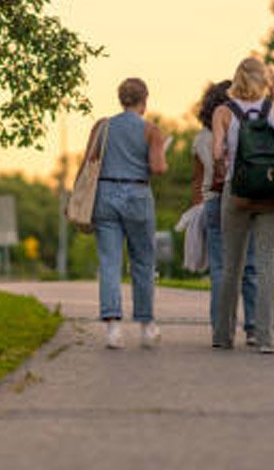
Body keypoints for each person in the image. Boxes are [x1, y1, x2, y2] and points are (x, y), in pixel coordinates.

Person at [211, 58, 274, 352]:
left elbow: (217, 153)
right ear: (265, 79)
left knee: (231, 266)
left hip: (238, 192)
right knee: (266, 264)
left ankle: (223, 335)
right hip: (271, 190)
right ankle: (265, 338)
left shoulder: (223, 111)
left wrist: (227, 162)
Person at [85, 78, 168, 349]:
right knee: (142, 262)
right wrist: (161, 151)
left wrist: (76, 198)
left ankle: (113, 330)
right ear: (144, 101)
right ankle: (146, 326)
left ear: (121, 99)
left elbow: (88, 163)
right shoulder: (150, 130)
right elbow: (157, 168)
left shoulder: (102, 126)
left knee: (110, 262)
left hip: (105, 195)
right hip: (137, 196)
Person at [192, 80, 261, 346]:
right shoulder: (243, 129)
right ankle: (253, 327)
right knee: (250, 265)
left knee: (220, 268)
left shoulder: (201, 138)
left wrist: (194, 208)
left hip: (212, 202)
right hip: (243, 198)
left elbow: (198, 181)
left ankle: (222, 330)